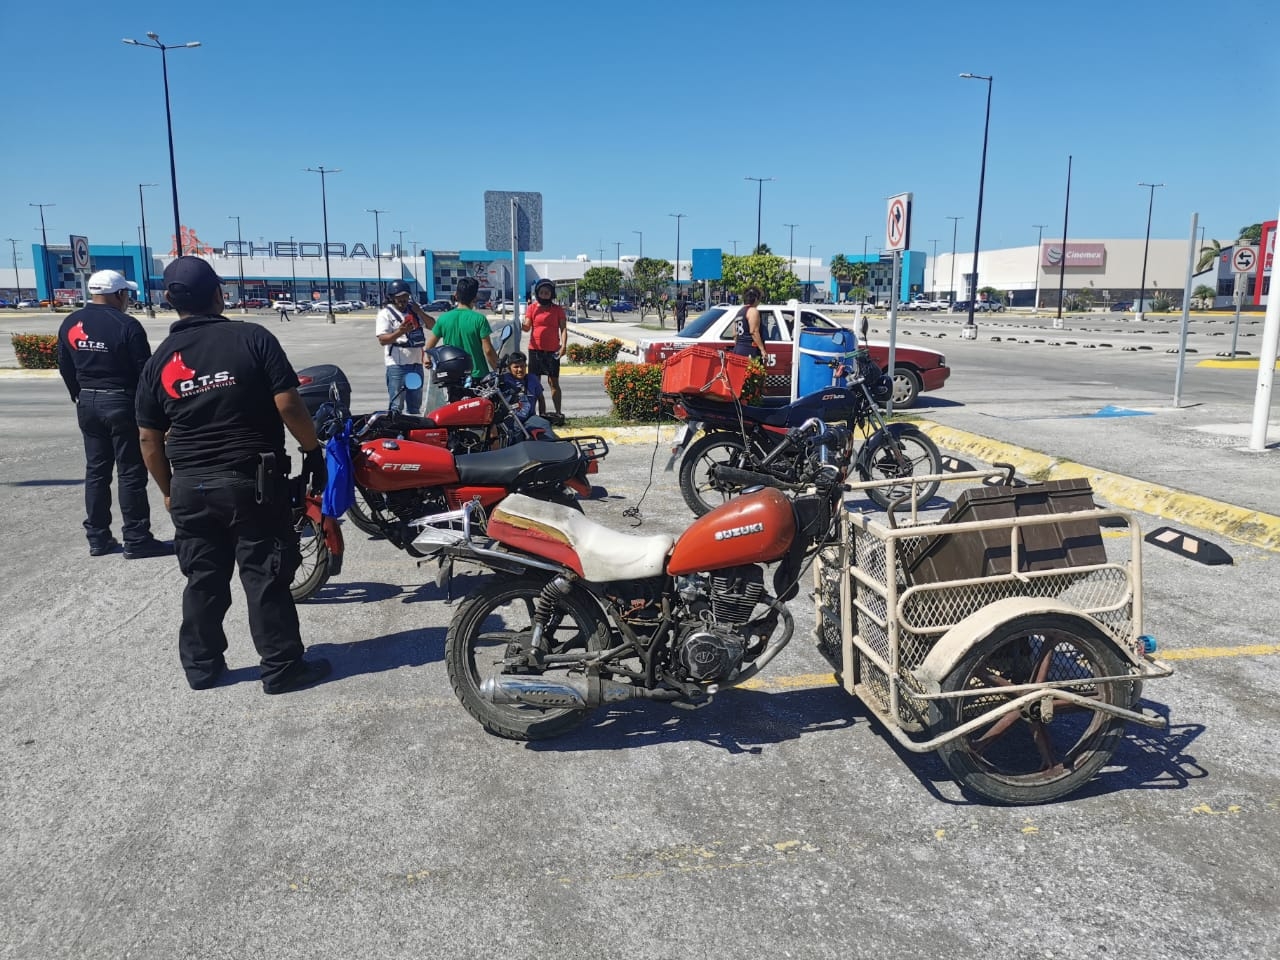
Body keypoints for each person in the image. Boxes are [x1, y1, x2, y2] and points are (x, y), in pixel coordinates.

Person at [135, 256, 330, 695]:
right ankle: (281, 668)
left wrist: (168, 491)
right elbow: (289, 405)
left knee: (203, 577)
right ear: (219, 293)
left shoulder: (159, 360)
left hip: (189, 484)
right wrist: (312, 449)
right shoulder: (252, 338)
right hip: (250, 483)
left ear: (170, 301)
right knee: (264, 575)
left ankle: (201, 668)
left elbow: (149, 439)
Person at [57, 270, 172, 559]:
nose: (127, 300)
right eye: (126, 294)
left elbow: (64, 364)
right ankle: (136, 537)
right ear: (119, 294)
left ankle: (98, 538)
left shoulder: (71, 322)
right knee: (131, 473)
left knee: (96, 472)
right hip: (122, 401)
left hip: (88, 400)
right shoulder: (127, 325)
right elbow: (144, 373)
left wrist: (78, 394)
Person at [425, 276, 499, 385]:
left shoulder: (443, 319)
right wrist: (498, 370)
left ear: (456, 295)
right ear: (475, 297)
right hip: (477, 375)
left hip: (453, 376)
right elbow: (488, 351)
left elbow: (429, 347)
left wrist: (428, 359)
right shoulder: (479, 319)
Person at [375, 279, 434, 414]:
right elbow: (382, 340)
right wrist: (400, 332)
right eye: (399, 297)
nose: (403, 299)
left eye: (406, 296)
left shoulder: (414, 311)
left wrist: (420, 312)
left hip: (415, 365)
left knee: (414, 405)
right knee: (396, 406)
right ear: (391, 297)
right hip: (397, 366)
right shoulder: (385, 314)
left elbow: (433, 326)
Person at [520, 278, 567, 423]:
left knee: (554, 383)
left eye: (547, 292)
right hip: (535, 350)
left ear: (551, 294)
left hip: (553, 351)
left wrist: (564, 345)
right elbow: (527, 327)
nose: (544, 294)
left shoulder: (558, 310)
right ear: (537, 293)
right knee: (534, 383)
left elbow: (563, 329)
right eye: (542, 292)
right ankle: (536, 413)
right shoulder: (532, 308)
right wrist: (520, 323)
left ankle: (558, 412)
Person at [498, 351, 543, 423]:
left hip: (530, 419)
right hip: (511, 419)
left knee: (544, 426)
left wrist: (542, 415)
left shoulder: (533, 379)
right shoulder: (504, 380)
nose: (520, 370)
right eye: (516, 367)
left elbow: (541, 399)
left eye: (522, 366)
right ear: (509, 368)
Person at [733, 286, 767, 359]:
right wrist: (762, 349)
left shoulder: (740, 312)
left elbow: (735, 334)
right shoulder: (753, 311)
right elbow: (754, 331)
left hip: (738, 348)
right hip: (750, 349)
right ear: (755, 299)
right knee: (753, 370)